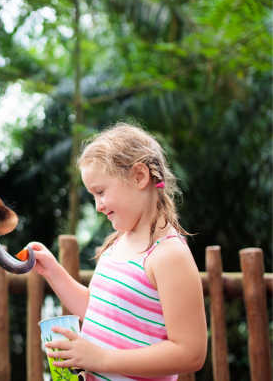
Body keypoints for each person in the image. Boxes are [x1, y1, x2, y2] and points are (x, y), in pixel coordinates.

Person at [25, 123, 207, 381]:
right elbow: (99, 310)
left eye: (100, 192)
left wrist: (101, 359)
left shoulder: (169, 256)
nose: (98, 206)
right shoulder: (119, 243)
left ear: (139, 177)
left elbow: (191, 353)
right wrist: (52, 270)